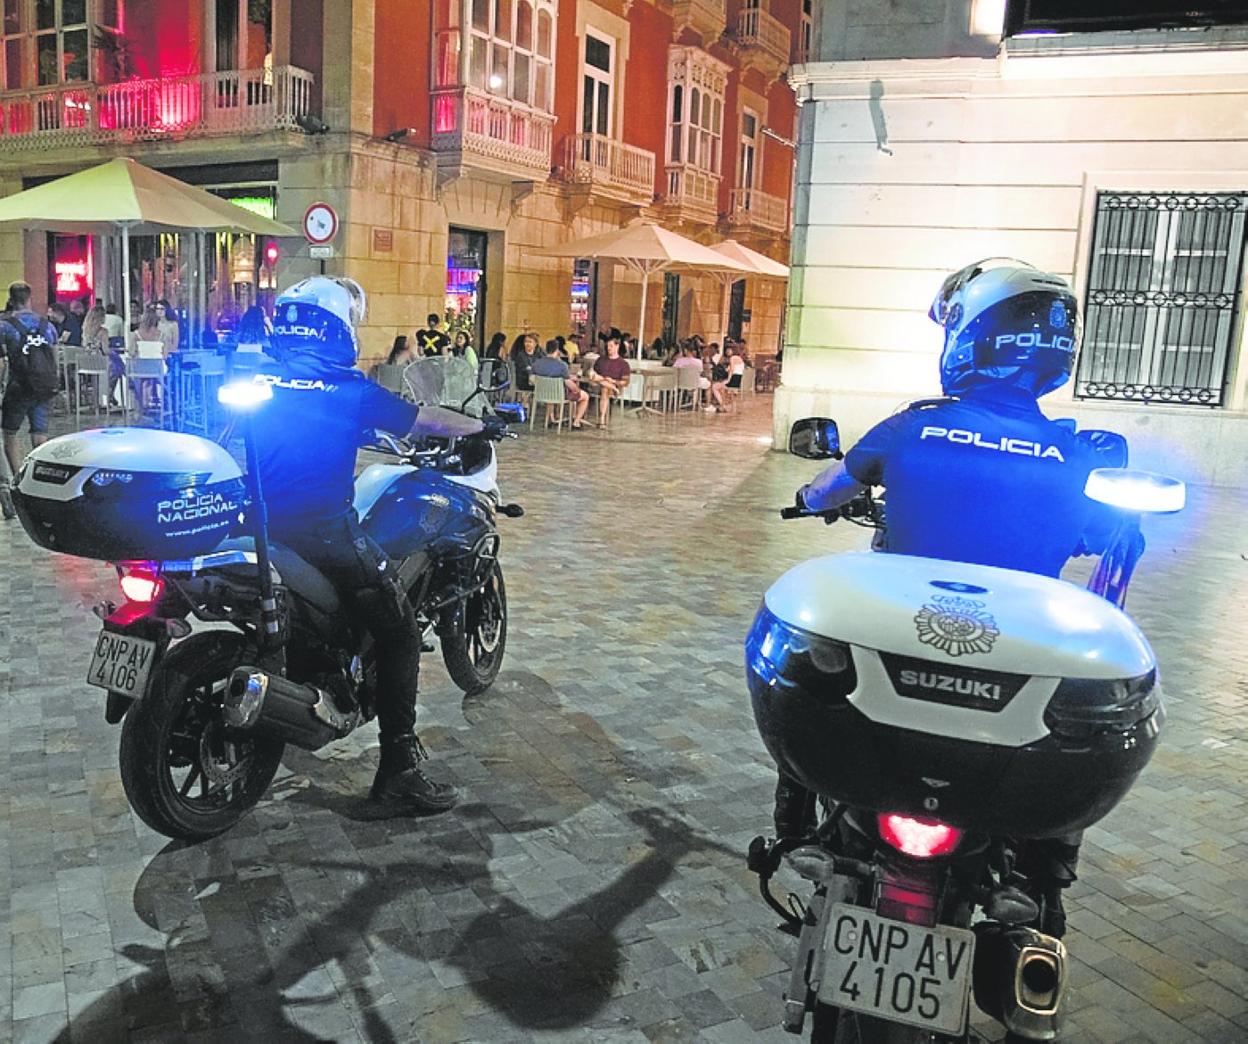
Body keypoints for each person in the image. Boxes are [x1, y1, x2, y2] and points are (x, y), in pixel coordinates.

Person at [777, 260, 1105, 937]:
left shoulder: (914, 427)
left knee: (810, 673)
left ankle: (796, 827)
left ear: (968, 337)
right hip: (1015, 670)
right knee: (1075, 726)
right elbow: (1102, 535)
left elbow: (830, 487)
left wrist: (808, 499)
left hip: (901, 651)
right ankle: (1045, 883)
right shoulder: (1076, 452)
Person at [253, 276, 485, 816]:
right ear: (338, 329)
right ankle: (399, 771)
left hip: (259, 524)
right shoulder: (347, 389)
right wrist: (478, 425)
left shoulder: (260, 377)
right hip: (323, 532)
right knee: (401, 630)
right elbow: (424, 418)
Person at [0, 281, 60, 520]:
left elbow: (2, 362)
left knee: (10, 434)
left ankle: (19, 482)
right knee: (40, 436)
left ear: (11, 299)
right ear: (29, 298)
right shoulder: (47, 325)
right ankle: (41, 481)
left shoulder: (5, 326)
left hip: (19, 387)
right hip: (44, 387)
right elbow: (54, 357)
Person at [532, 339, 589, 429]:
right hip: (559, 396)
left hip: (541, 394)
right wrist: (577, 389)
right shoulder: (562, 365)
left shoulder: (536, 363)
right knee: (585, 396)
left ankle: (551, 419)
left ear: (546, 349)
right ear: (557, 350)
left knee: (550, 392)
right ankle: (576, 422)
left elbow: (532, 379)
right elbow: (569, 384)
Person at [590, 333, 630, 427]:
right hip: (596, 385)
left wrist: (613, 381)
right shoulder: (600, 360)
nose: (608, 348)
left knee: (605, 389)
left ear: (617, 346)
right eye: (607, 346)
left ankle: (602, 419)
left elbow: (625, 382)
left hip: (612, 387)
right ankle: (610, 385)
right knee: (597, 379)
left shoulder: (623, 364)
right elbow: (593, 374)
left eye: (611, 346)